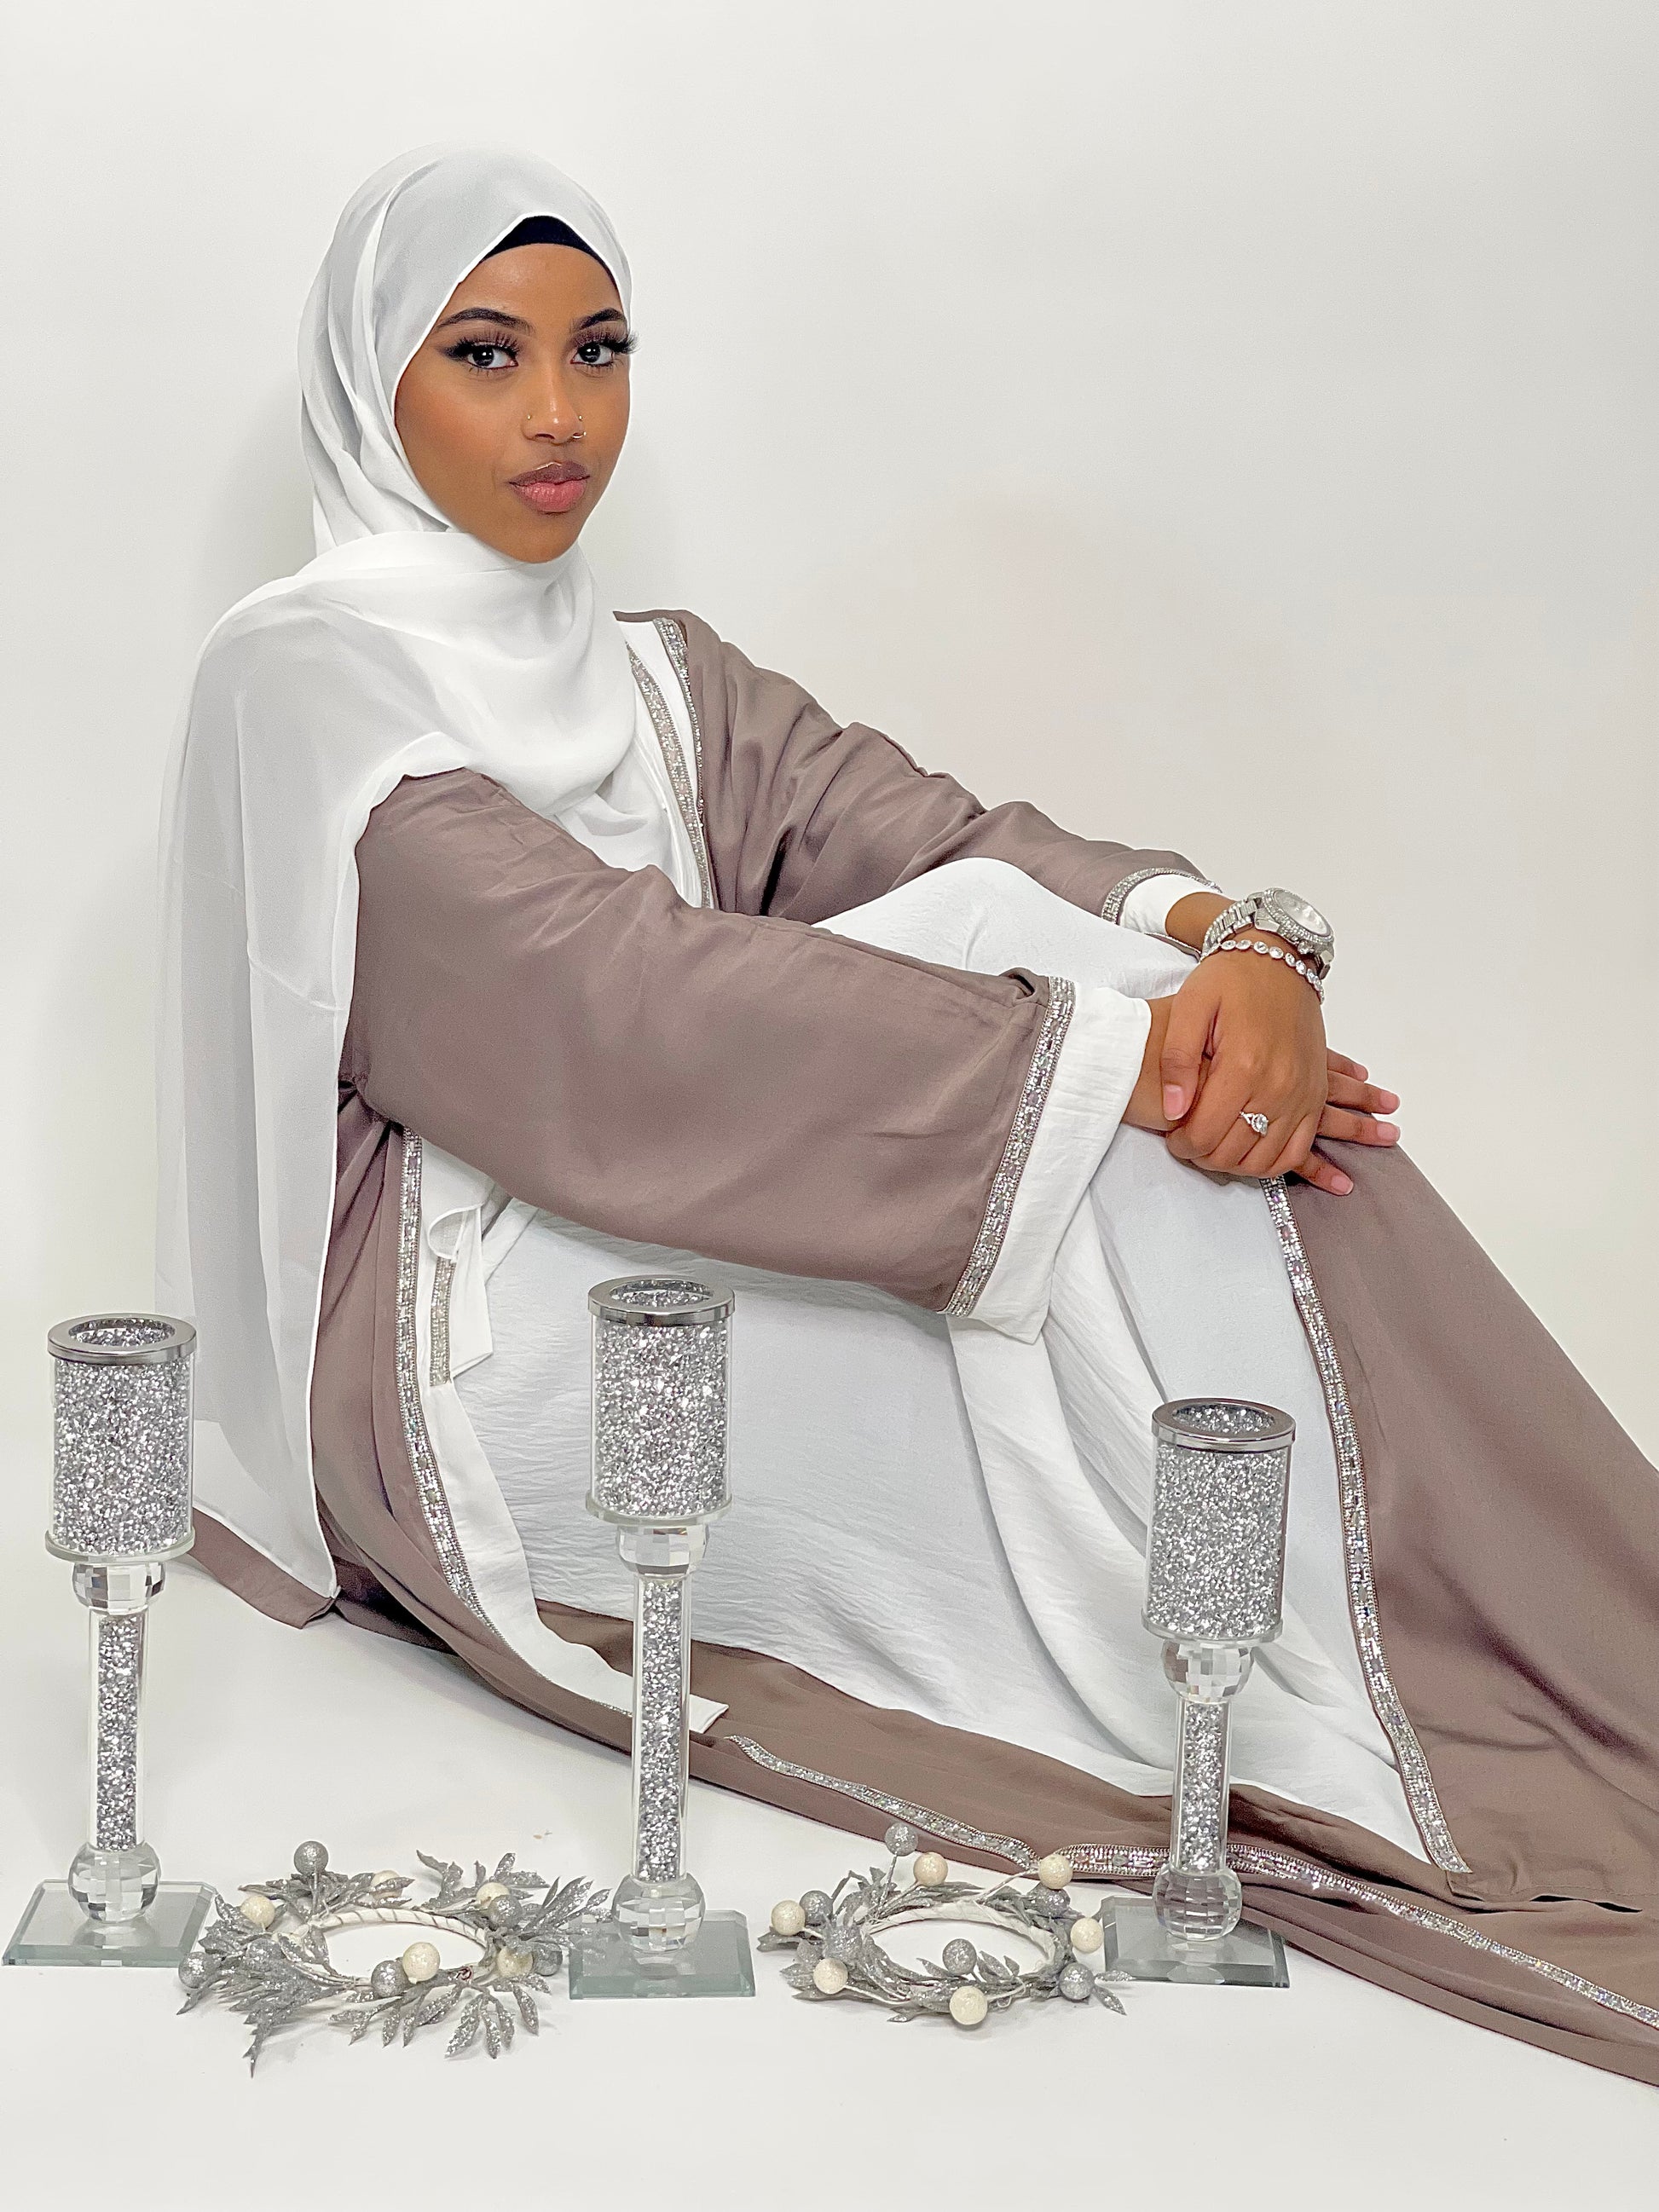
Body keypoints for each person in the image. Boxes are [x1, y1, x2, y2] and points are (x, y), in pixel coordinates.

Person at [158, 144, 1659, 2082]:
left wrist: (1241, 949)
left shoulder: (647, 673)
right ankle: (1401, 1671)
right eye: (484, 353)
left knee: (1064, 992)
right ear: (372, 385)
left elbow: (939, 839)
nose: (559, 414)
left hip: (706, 1201)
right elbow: (598, 1007)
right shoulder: (304, 678)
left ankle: (1466, 1638)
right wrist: (1121, 1065)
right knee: (1097, 1131)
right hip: (458, 1328)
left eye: (599, 349)